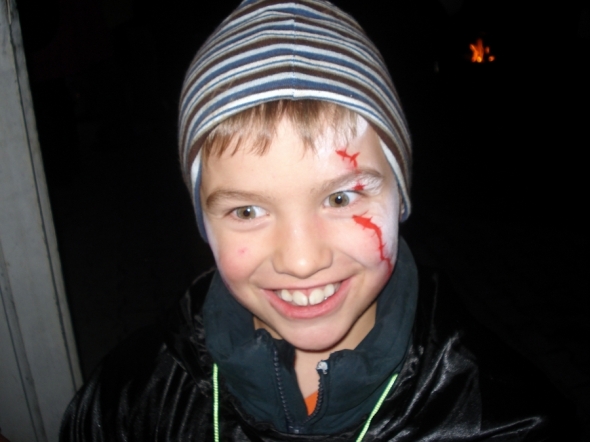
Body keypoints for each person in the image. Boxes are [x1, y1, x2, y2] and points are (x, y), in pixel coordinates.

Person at [60, 0, 580, 440]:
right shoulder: (130, 400)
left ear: (399, 197)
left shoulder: (501, 418)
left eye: (341, 198)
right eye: (247, 211)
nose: (303, 260)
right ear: (204, 223)